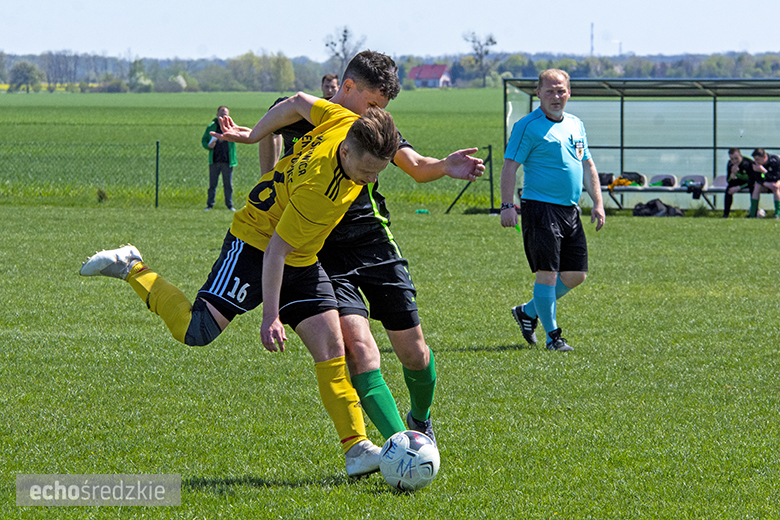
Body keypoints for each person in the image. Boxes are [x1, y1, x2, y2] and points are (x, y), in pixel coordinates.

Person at [79, 92, 400, 478]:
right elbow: (275, 252)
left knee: (332, 346)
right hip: (255, 244)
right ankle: (132, 266)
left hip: (298, 256)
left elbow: (297, 102)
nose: (372, 180)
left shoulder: (344, 121)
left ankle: (357, 449)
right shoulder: (320, 189)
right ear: (346, 153)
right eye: (366, 173)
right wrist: (270, 317)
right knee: (195, 331)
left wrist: (254, 135)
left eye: (379, 172)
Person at [260, 50, 485, 445]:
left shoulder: (373, 126)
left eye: (381, 107)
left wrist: (445, 166)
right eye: (372, 104)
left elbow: (415, 165)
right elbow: (275, 124)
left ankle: (421, 418)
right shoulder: (306, 117)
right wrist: (267, 173)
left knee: (413, 352)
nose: (376, 114)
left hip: (372, 242)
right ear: (347, 88)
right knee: (360, 350)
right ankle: (403, 446)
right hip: (323, 252)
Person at [500, 69, 605, 352]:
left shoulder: (575, 124)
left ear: (569, 92)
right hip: (540, 209)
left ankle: (528, 311)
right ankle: (553, 337)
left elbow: (587, 165)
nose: (556, 97)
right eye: (550, 91)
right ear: (539, 94)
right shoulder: (527, 126)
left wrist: (598, 202)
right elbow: (510, 165)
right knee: (546, 274)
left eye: (561, 91)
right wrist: (507, 205)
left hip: (570, 210)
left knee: (575, 275)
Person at [256, 74, 341, 174]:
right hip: (289, 173)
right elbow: (270, 129)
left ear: (338, 88)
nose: (329, 90)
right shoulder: (307, 110)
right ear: (322, 87)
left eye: (332, 87)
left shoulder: (342, 115)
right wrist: (268, 179)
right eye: (327, 87)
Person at [201, 106, 237, 211]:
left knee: (228, 185)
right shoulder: (211, 127)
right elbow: (204, 140)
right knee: (212, 184)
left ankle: (229, 205)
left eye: (225, 114)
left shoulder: (231, 127)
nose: (223, 116)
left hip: (227, 160)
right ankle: (210, 205)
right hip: (215, 160)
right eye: (221, 114)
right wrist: (208, 146)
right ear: (217, 115)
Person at [748, 148, 780, 219]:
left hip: (776, 182)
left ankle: (778, 213)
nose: (756, 162)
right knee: (757, 186)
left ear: (765, 157)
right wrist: (765, 184)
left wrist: (764, 171)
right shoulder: (755, 165)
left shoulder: (775, 161)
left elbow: (776, 177)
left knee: (776, 186)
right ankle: (753, 214)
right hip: (766, 184)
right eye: (755, 159)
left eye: (758, 159)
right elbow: (756, 178)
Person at [722, 148, 754, 218]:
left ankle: (753, 213)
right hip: (738, 182)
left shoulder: (748, 163)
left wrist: (739, 188)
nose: (734, 161)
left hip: (749, 183)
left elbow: (752, 180)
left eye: (736, 158)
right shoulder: (730, 164)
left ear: (741, 156)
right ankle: (726, 214)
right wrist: (732, 174)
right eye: (732, 159)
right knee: (728, 190)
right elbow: (728, 181)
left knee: (753, 188)